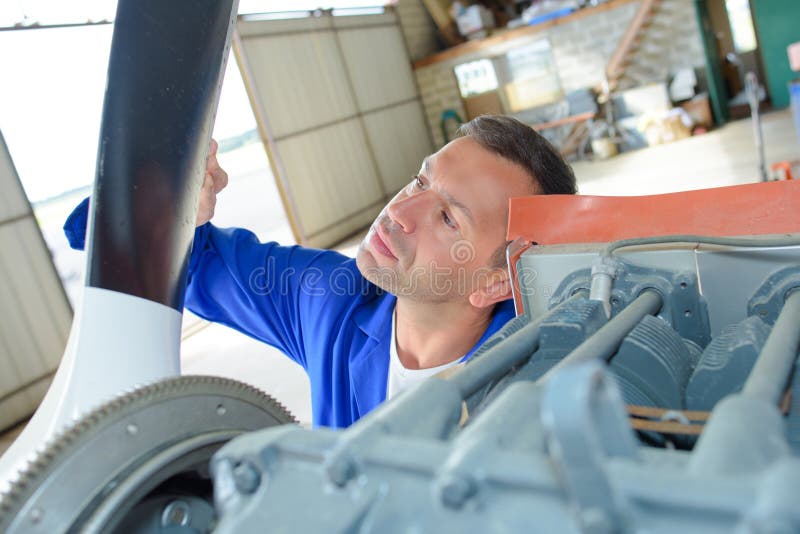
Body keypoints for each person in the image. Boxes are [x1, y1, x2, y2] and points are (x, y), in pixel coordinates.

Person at [65, 115, 576, 428]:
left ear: (495, 280)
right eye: (420, 181)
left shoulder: (544, 376)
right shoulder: (331, 300)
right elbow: (135, 249)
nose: (400, 211)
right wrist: (164, 201)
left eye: (447, 218)